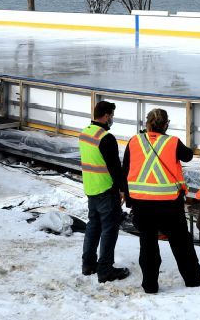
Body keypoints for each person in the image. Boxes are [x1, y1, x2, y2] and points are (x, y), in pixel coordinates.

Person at [122, 108, 200, 294]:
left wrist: (129, 199)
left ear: (146, 123)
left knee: (147, 244)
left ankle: (150, 285)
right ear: (166, 125)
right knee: (181, 243)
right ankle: (193, 278)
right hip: (168, 205)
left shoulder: (134, 141)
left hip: (142, 203)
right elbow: (188, 155)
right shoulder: (172, 142)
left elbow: (126, 170)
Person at [79, 101, 130, 283]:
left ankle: (88, 265)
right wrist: (122, 189)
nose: (112, 119)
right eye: (112, 116)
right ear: (107, 116)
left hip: (91, 188)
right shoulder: (106, 138)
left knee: (93, 226)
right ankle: (105, 269)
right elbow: (115, 168)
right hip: (107, 191)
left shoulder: (85, 133)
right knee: (109, 230)